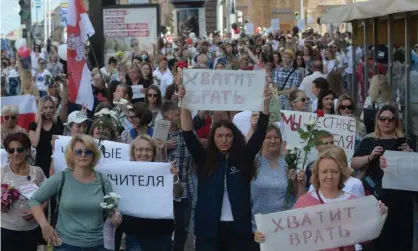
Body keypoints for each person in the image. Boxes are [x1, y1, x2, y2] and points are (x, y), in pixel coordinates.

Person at [179, 83, 271, 250]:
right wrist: (184, 103)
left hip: (239, 230)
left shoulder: (243, 158)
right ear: (212, 138)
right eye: (219, 136)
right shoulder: (204, 158)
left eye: (228, 136)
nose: (224, 140)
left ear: (234, 138)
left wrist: (265, 104)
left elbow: (260, 134)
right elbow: (187, 133)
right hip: (208, 229)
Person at [255, 146, 388, 251]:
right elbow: (289, 235)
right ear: (317, 174)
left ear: (341, 174)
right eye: (324, 172)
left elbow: (365, 238)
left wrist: (378, 215)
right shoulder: (304, 202)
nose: (329, 176)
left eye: (334, 171)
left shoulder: (353, 202)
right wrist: (265, 236)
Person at [29, 135, 122, 251]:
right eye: (78, 151)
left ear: (93, 155)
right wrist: (45, 226)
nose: (83, 155)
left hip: (98, 245)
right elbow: (34, 200)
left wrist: (116, 214)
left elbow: (112, 208)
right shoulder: (61, 178)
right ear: (71, 155)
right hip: (66, 245)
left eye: (88, 151)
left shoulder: (103, 180)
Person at [351, 105, 414, 251]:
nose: (386, 122)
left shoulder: (406, 141)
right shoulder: (369, 140)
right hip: (377, 196)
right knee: (380, 238)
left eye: (390, 119)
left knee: (402, 238)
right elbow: (354, 163)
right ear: (377, 120)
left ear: (396, 121)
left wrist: (410, 153)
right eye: (383, 119)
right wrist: (370, 157)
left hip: (402, 197)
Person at [115, 135, 178, 251]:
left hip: (161, 232)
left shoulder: (164, 171)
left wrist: (174, 178)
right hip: (135, 233)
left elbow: (178, 194)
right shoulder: (124, 172)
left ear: (154, 152)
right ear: (133, 152)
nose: (144, 153)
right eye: (139, 149)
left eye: (148, 150)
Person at [250, 123, 305, 231]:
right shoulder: (253, 162)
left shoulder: (287, 162)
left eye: (276, 137)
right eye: (268, 137)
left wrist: (294, 180)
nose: (273, 141)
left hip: (284, 225)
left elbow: (294, 194)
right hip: (260, 227)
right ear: (261, 139)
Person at [1, 133, 46, 251]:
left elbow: (47, 197)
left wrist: (37, 210)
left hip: (30, 230)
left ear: (27, 150)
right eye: (11, 150)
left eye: (20, 149)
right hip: (5, 229)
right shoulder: (1, 172)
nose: (15, 153)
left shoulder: (37, 172)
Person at [161, 100, 194, 251]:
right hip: (164, 191)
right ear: (167, 117)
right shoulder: (159, 134)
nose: (179, 117)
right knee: (165, 227)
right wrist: (162, 146)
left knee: (183, 227)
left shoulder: (188, 133)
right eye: (176, 114)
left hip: (186, 186)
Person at [29, 95, 68, 177]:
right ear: (40, 109)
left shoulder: (58, 124)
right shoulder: (33, 125)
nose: (48, 110)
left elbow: (65, 104)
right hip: (40, 164)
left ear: (54, 109)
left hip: (57, 163)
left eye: (51, 107)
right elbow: (34, 144)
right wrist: (39, 123)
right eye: (45, 108)